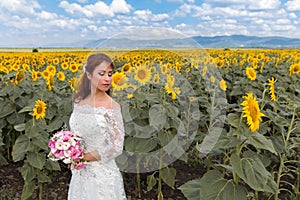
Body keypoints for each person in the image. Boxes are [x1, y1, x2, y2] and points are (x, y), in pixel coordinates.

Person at [68, 53, 126, 199]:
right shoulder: (79, 101)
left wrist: (84, 157)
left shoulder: (112, 107)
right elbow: (75, 134)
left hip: (102, 176)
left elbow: (116, 146)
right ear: (88, 75)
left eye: (110, 74)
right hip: (79, 173)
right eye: (102, 74)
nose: (107, 78)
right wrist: (69, 153)